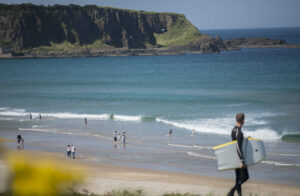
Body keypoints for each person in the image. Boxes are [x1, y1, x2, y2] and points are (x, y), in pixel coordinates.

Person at [227, 113, 249, 196]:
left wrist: (245, 140)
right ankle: (231, 192)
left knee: (238, 179)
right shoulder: (239, 132)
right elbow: (238, 147)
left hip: (235, 156)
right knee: (245, 177)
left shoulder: (233, 130)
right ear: (243, 120)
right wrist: (242, 161)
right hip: (239, 158)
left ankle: (239, 194)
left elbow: (237, 142)